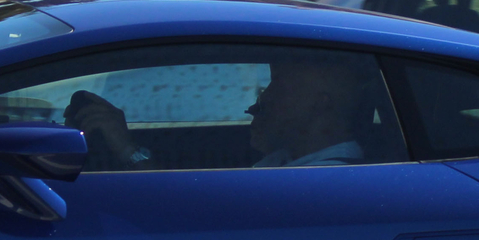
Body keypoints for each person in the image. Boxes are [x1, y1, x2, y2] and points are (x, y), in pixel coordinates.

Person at [62, 56, 373, 170]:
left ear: (320, 103)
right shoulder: (287, 160)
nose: (256, 105)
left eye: (277, 87)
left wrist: (127, 150)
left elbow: (185, 217)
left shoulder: (323, 178)